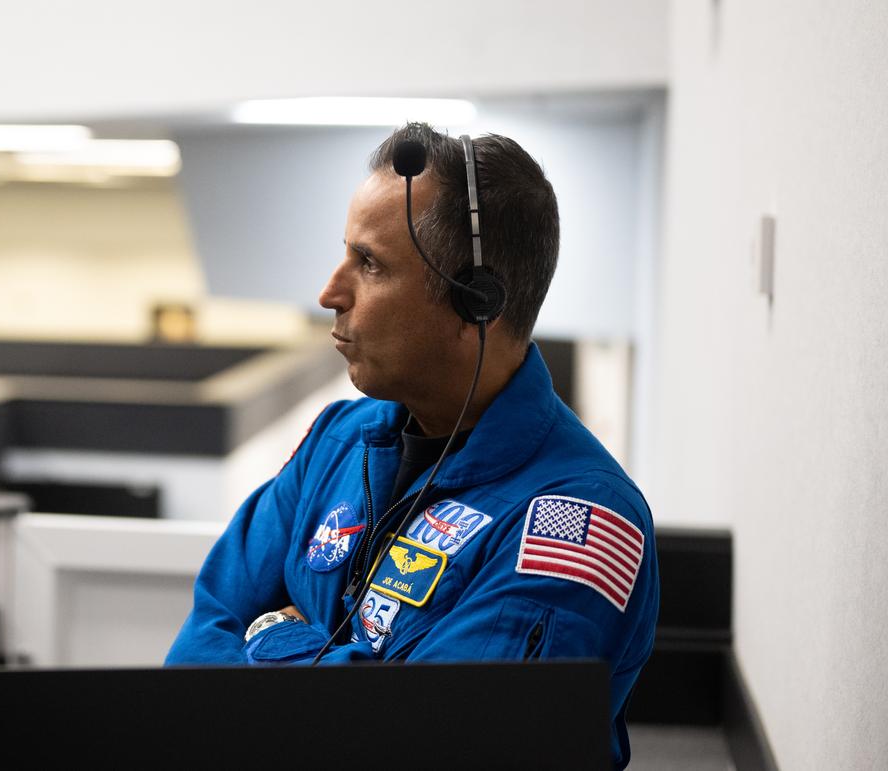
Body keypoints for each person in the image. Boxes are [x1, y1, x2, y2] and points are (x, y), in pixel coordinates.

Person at [165, 124, 658, 769]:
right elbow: (203, 640)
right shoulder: (337, 441)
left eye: (369, 264)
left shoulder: (580, 518)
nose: (329, 293)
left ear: (474, 303)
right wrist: (356, 675)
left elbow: (438, 743)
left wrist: (275, 633)